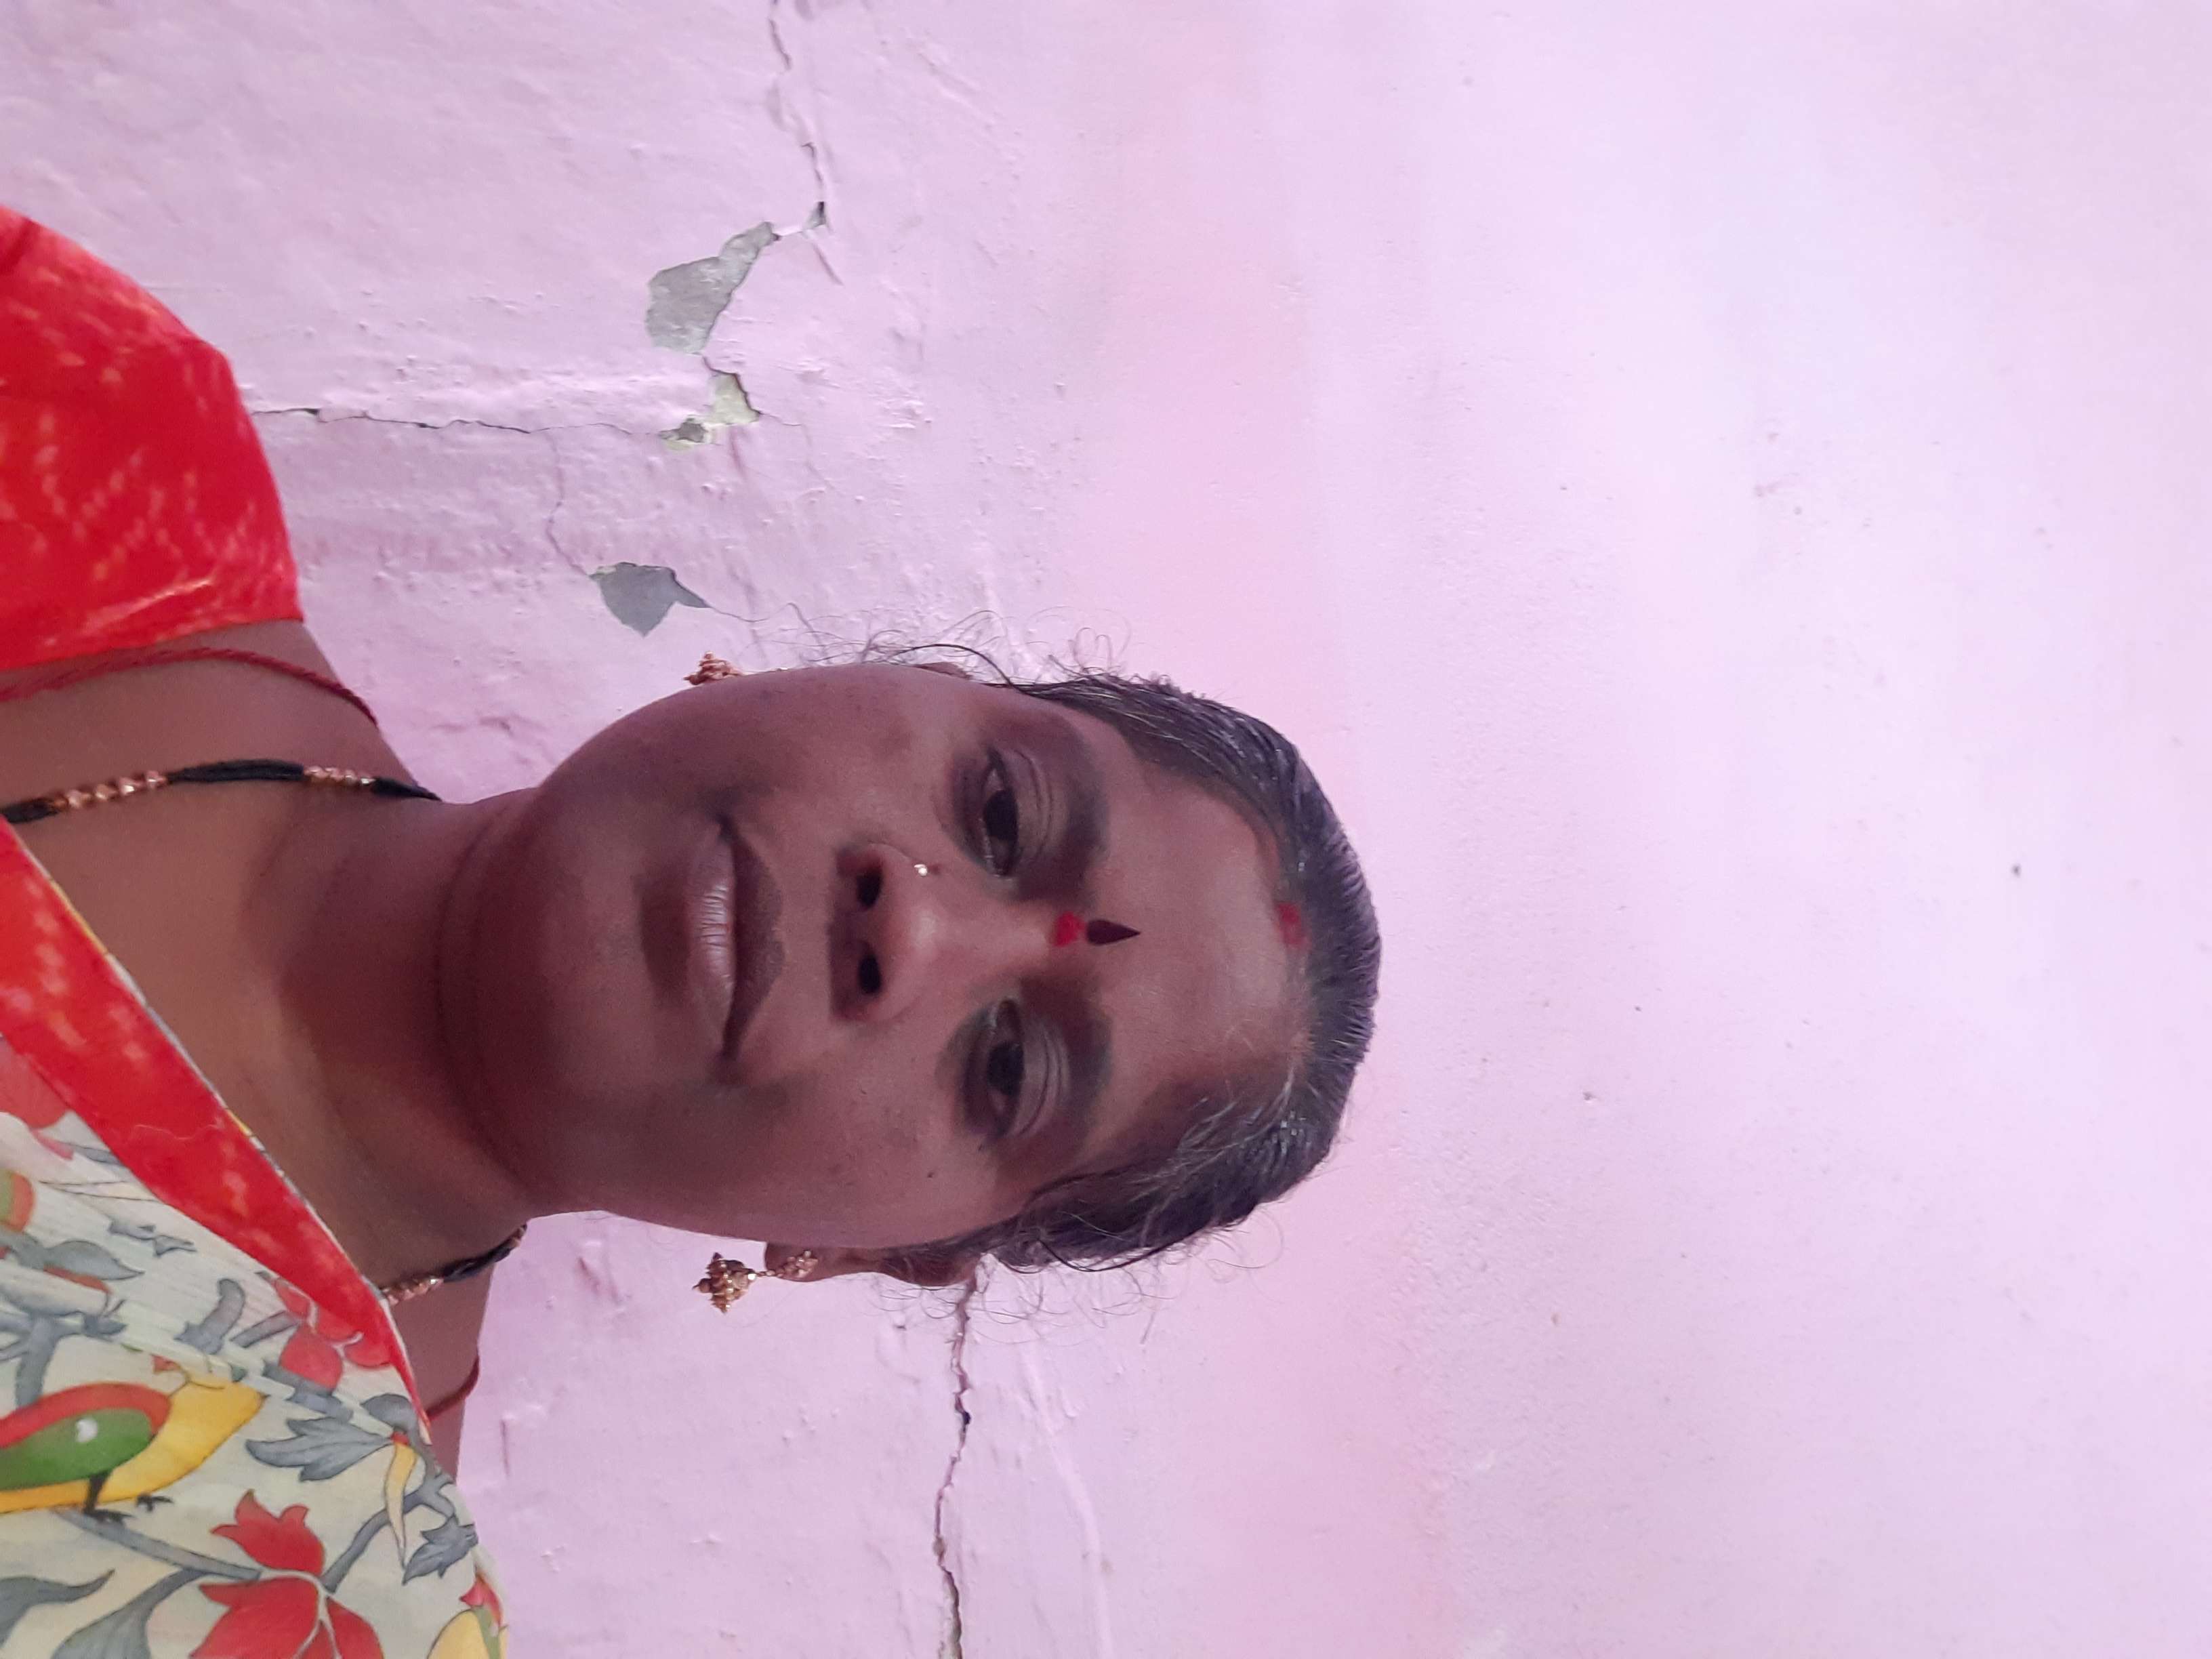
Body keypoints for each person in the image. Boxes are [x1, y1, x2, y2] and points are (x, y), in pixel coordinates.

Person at [0, 205, 1380, 1654]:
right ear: (873, 672)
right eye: (999, 810)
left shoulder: (279, 1578)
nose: (911, 929)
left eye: (1008, 1070)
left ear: (883, 1252)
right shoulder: (84, 423)